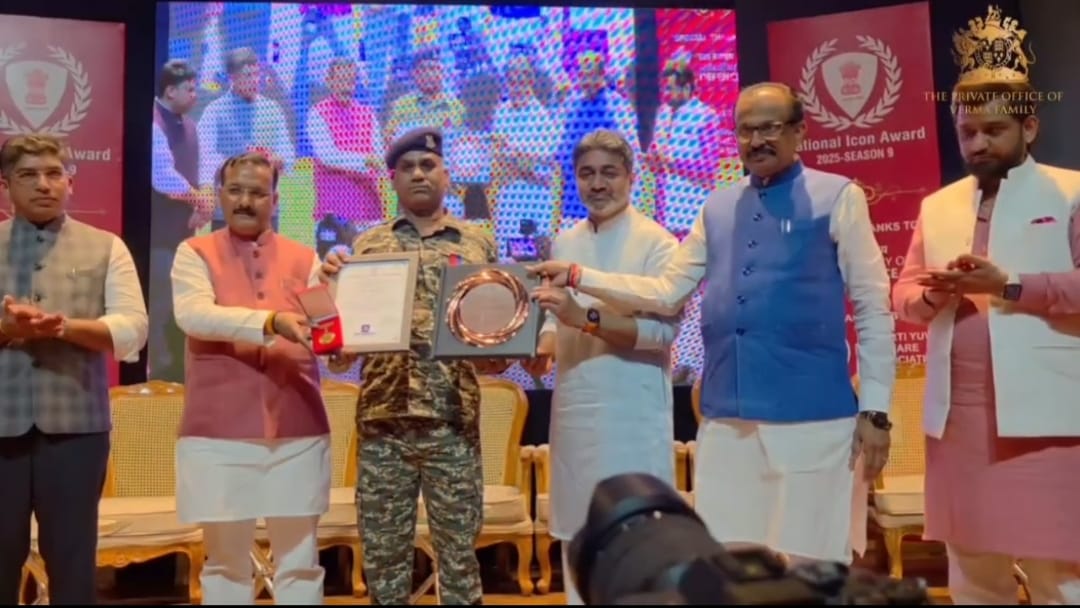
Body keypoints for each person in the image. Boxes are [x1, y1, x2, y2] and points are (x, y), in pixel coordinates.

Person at [528, 82, 896, 565]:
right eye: (745, 130)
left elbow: (873, 307)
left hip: (814, 415)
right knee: (729, 567)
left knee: (814, 567)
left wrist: (875, 410)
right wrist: (580, 275)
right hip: (726, 419)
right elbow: (665, 292)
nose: (756, 141)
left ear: (800, 132)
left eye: (770, 128)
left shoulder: (838, 197)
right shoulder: (717, 207)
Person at [893, 77, 1080, 605]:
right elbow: (903, 293)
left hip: (1050, 416)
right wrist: (932, 295)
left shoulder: (1071, 191)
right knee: (973, 574)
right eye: (967, 132)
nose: (978, 144)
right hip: (959, 419)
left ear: (1030, 127)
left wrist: (1008, 284)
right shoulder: (939, 205)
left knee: (1059, 576)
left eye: (994, 130)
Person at [320, 127, 509, 605]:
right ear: (393, 179)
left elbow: (495, 337)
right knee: (384, 567)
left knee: (460, 561)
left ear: (445, 174)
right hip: (384, 425)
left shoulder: (477, 244)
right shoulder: (367, 246)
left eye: (428, 165)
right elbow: (342, 352)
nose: (419, 174)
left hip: (452, 423)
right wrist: (330, 320)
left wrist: (501, 349)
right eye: (407, 168)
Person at [523, 129, 682, 604]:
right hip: (575, 413)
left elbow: (661, 334)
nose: (597, 184)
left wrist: (585, 319)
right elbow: (556, 319)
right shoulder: (565, 240)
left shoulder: (658, 243)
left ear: (631, 177)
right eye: (586, 174)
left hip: (633, 415)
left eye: (608, 173)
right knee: (579, 541)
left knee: (638, 546)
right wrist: (542, 347)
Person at [170, 151, 330, 604]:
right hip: (219, 429)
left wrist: (341, 339)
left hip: (297, 426)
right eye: (235, 191)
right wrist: (271, 322)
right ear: (220, 195)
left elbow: (326, 328)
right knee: (225, 562)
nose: (244, 201)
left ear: (274, 200)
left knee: (300, 561)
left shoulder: (305, 258)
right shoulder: (193, 252)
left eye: (257, 193)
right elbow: (194, 315)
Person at [0, 133, 148, 604]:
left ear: (71, 182)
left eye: (54, 173)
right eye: (28, 175)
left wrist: (63, 327)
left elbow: (132, 330)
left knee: (72, 562)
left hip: (77, 432)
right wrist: (5, 330)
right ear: (6, 185)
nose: (43, 184)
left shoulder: (107, 246)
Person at [149, 58, 215, 383]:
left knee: (182, 303)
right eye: (189, 89)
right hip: (158, 235)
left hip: (185, 234)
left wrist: (205, 202)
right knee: (160, 305)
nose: (195, 94)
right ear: (170, 91)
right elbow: (162, 177)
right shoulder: (152, 122)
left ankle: (179, 371)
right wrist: (197, 199)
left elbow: (201, 169)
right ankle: (157, 376)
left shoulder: (190, 124)